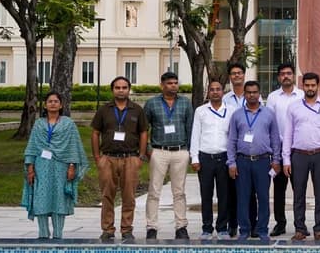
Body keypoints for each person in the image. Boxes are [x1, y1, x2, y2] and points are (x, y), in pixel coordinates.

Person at [22, 91, 88, 239]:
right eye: (50, 101)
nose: (53, 103)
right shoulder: (39, 124)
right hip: (41, 166)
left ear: (61, 104)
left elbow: (73, 146)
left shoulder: (68, 124)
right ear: (45, 105)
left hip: (61, 166)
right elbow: (32, 147)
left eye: (56, 101)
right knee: (41, 197)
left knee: (59, 198)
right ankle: (43, 233)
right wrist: (30, 168)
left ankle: (58, 233)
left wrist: (72, 166)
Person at [90, 76, 148, 241]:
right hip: (108, 158)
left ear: (129, 90)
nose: (121, 90)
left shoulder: (137, 110)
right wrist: (97, 157)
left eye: (124, 87)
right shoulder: (104, 110)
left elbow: (144, 132)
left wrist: (141, 156)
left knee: (129, 195)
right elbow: (95, 132)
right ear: (112, 90)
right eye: (117, 87)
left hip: (130, 158)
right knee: (107, 195)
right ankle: (108, 229)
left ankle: (126, 229)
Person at [282, 72, 320, 241]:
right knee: (298, 194)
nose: (310, 88)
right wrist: (286, 160)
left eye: (313, 85)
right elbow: (288, 134)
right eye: (307, 85)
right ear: (303, 85)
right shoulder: (293, 107)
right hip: (298, 155)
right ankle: (300, 228)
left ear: (318, 86)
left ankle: (319, 229)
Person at [227, 80, 281, 241]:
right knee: (243, 197)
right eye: (248, 92)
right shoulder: (237, 115)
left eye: (254, 92)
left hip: (263, 161)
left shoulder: (269, 114)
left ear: (259, 94)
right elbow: (231, 140)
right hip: (242, 161)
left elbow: (275, 139)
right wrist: (231, 162)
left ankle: (262, 229)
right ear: (244, 94)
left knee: (263, 197)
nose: (252, 95)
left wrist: (276, 160)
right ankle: (244, 230)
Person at [144, 71, 194, 240]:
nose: (174, 86)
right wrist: (149, 149)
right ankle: (151, 227)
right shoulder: (152, 104)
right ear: (162, 85)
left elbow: (190, 128)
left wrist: (189, 151)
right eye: (170, 83)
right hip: (159, 151)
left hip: (180, 152)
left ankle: (181, 227)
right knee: (154, 191)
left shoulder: (185, 103)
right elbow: (144, 128)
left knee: (179, 192)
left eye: (175, 83)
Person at [190, 80, 234, 240]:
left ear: (223, 92)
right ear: (208, 92)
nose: (215, 92)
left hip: (224, 158)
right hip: (205, 157)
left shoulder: (231, 110)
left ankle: (222, 228)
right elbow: (195, 134)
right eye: (212, 89)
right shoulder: (201, 111)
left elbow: (233, 137)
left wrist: (232, 160)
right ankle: (207, 228)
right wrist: (194, 157)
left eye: (218, 89)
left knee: (224, 195)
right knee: (206, 194)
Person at [265, 63, 304, 237]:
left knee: (299, 189)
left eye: (289, 73)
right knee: (279, 190)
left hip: (298, 148)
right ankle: (280, 224)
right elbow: (269, 124)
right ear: (278, 77)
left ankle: (300, 224)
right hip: (278, 149)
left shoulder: (302, 95)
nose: (286, 76)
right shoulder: (273, 98)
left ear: (294, 75)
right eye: (282, 74)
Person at [221, 62, 257, 237]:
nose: (237, 76)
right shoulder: (225, 99)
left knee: (250, 191)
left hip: (248, 148)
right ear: (230, 76)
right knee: (232, 190)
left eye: (239, 73)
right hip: (231, 146)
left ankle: (253, 224)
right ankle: (233, 224)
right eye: (233, 73)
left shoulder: (252, 96)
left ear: (244, 75)